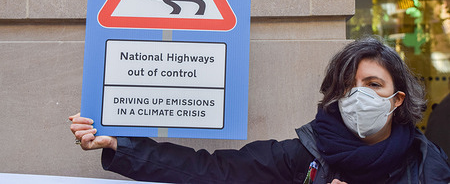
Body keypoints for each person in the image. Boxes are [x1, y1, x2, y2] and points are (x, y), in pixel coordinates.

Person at [70, 37, 450, 183]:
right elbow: (212, 170)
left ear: (397, 99)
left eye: (373, 85)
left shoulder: (428, 166)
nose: (359, 97)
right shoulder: (305, 154)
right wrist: (122, 144)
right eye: (349, 87)